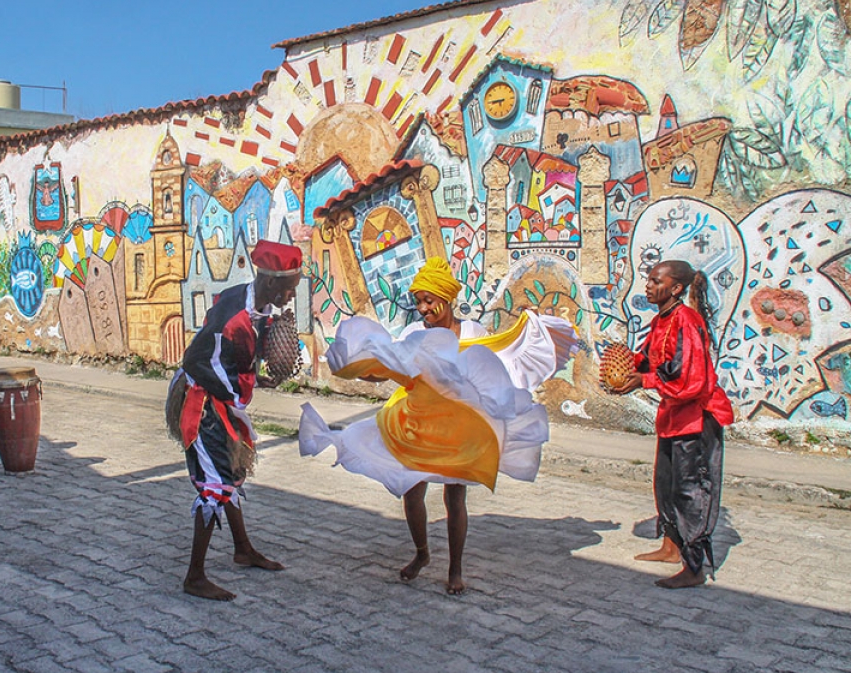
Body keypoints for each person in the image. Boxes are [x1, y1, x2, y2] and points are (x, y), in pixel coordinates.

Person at [300, 257, 576, 594]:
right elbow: (388, 370)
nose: (423, 309)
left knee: (455, 498)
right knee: (412, 491)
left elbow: (493, 372)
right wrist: (357, 368)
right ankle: (422, 553)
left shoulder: (473, 333)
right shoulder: (414, 334)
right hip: (416, 423)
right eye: (418, 301)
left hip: (459, 430)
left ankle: (455, 569)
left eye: (429, 300)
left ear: (446, 298)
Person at [165, 240, 301, 601]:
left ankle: (243, 549)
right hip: (202, 402)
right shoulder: (234, 318)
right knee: (215, 483)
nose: (291, 296)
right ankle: (194, 576)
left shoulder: (253, 303)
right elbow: (197, 361)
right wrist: (250, 382)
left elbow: (238, 355)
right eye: (289, 288)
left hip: (220, 398)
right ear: (270, 282)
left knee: (232, 473)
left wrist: (255, 371)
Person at [611, 260, 733, 589]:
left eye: (656, 281)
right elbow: (649, 360)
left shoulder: (687, 321)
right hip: (673, 417)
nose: (649, 286)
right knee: (666, 485)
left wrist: (644, 380)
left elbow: (690, 379)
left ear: (676, 288)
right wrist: (623, 368)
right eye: (649, 280)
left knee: (691, 490)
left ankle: (694, 567)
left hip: (696, 419)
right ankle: (670, 547)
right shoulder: (661, 321)